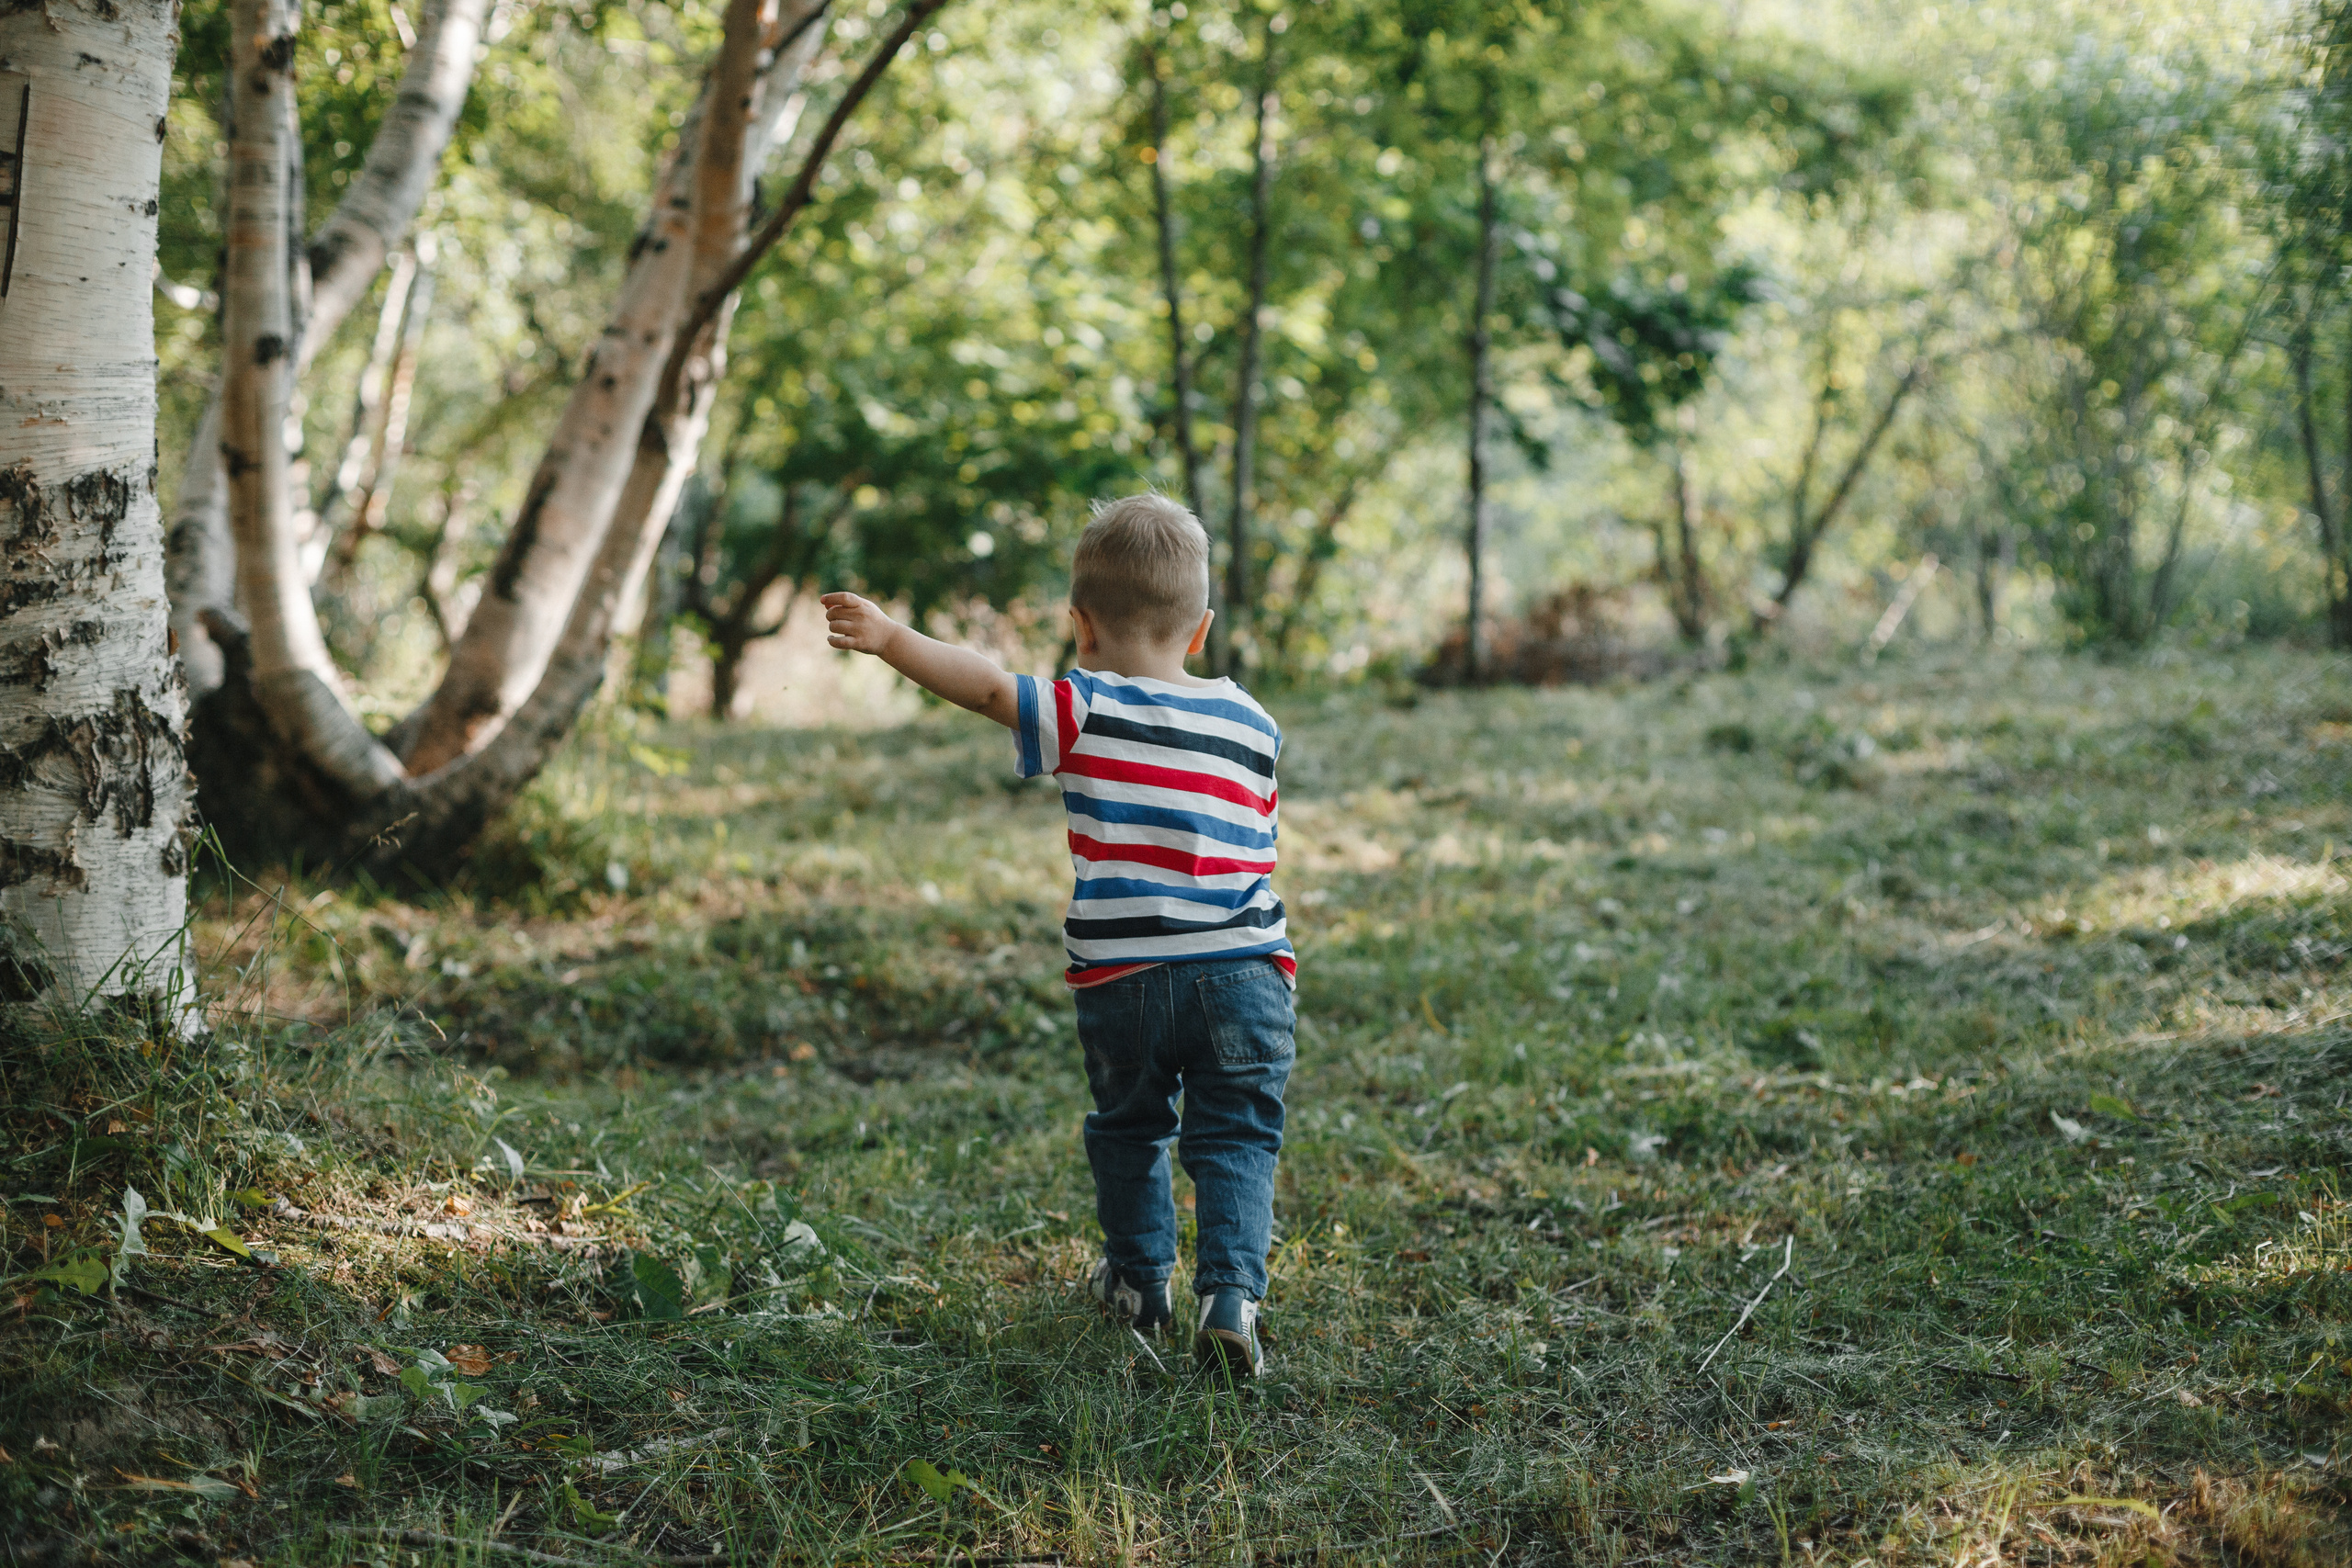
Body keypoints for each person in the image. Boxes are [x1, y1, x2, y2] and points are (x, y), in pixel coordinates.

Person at [820, 493, 1294, 1378]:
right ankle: (1231, 1295)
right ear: (1201, 631)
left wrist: (891, 638)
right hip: (1246, 972)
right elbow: (1260, 844)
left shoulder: (1083, 707)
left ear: (1081, 626)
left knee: (1129, 1127)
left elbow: (989, 686)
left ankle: (1140, 1284)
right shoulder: (1253, 722)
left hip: (1125, 982)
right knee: (1237, 1136)